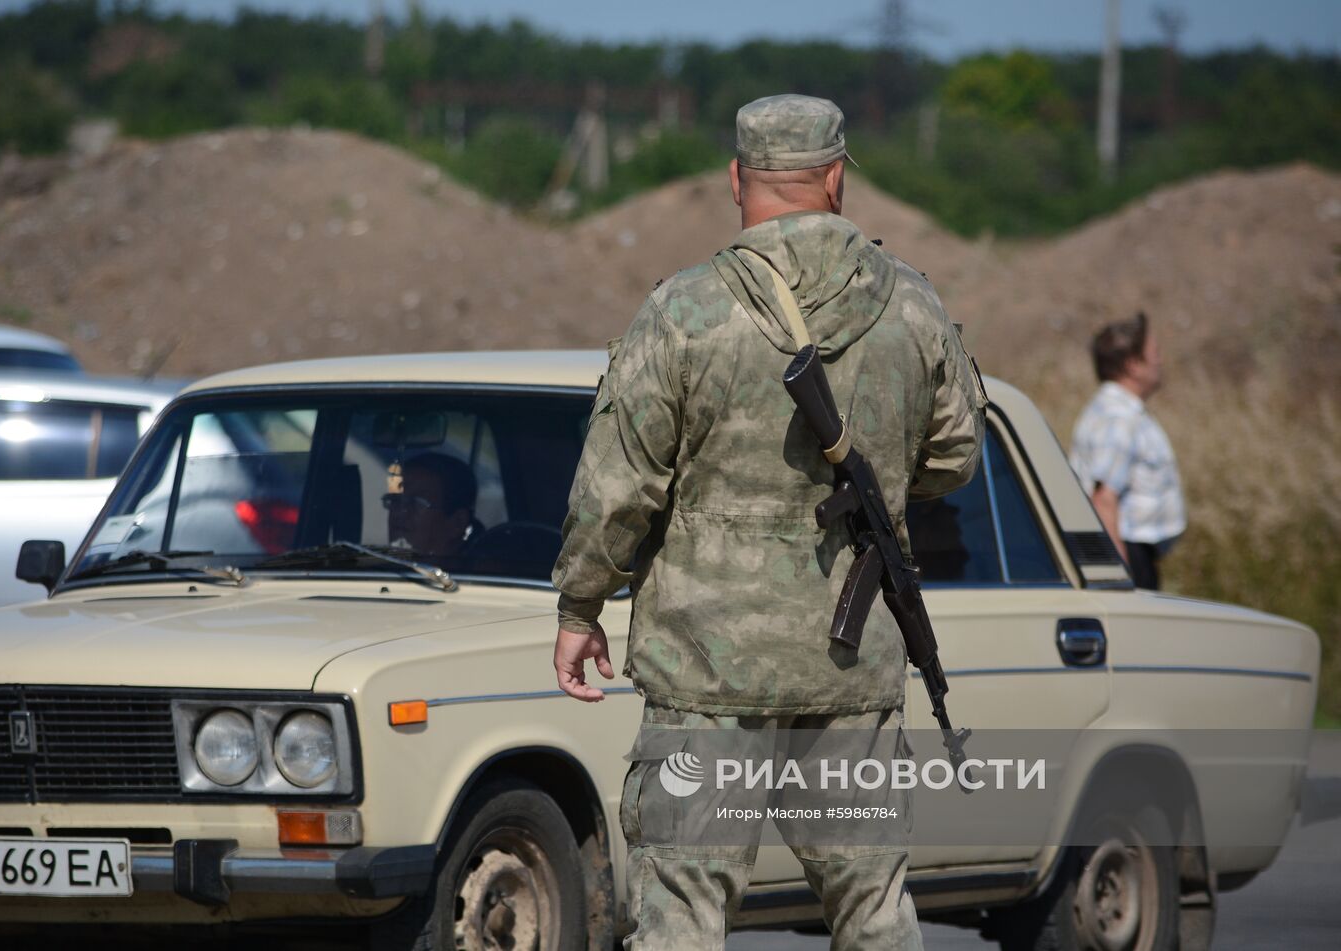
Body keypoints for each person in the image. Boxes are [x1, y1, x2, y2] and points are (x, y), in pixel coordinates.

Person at [550, 94, 986, 950]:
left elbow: (619, 484)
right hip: (850, 662)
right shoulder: (912, 306)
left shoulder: (686, 310)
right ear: (834, 179)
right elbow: (956, 456)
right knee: (872, 907)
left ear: (736, 179)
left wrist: (580, 607)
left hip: (706, 670)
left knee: (683, 906)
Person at [1068, 312, 1185, 589]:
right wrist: (1120, 578)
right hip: (1128, 553)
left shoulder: (1118, 412)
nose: (1160, 361)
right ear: (1133, 364)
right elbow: (1104, 500)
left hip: (1132, 552)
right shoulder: (1118, 419)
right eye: (1154, 353)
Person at [383, 451, 478, 558]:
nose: (398, 511)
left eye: (417, 503)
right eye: (396, 500)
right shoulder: (372, 570)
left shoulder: (481, 571)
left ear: (457, 523)